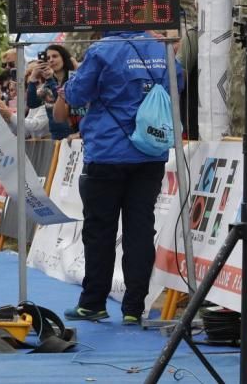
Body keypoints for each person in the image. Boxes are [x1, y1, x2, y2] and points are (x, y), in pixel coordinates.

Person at [58, 29, 183, 325]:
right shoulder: (161, 49)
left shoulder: (103, 49)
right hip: (150, 151)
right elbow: (178, 85)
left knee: (99, 230)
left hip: (107, 150)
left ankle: (93, 302)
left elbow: (76, 95)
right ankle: (133, 307)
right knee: (140, 229)